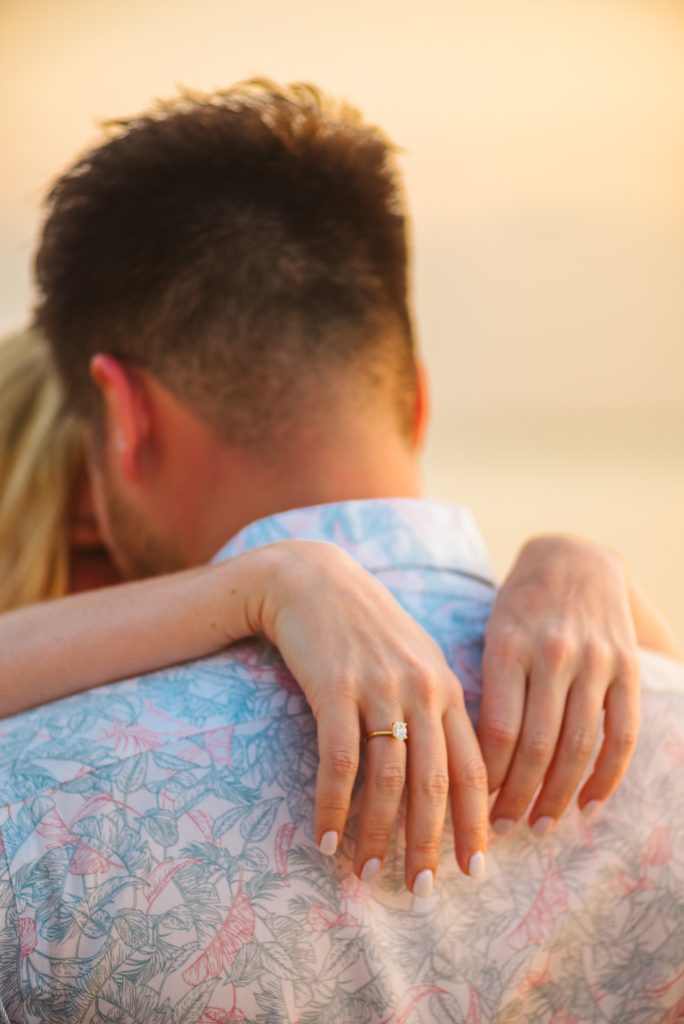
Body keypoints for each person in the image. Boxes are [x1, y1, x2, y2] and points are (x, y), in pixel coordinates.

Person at [0, 82, 681, 1022]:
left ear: (123, 416)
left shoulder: (29, 808)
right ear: (416, 399)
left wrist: (268, 579)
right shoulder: (654, 723)